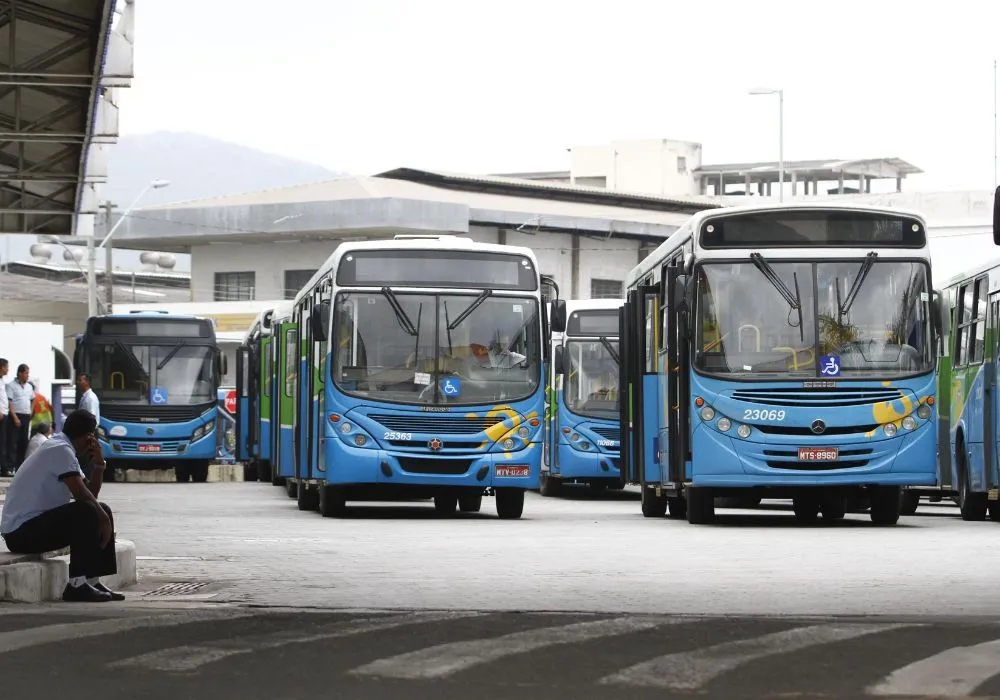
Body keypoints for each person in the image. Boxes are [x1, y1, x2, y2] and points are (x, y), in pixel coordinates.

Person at [0, 409, 123, 602]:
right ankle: (76, 585)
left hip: (33, 527)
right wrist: (103, 519)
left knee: (100, 508)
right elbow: (81, 494)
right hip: (20, 533)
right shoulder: (60, 449)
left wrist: (99, 465)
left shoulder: (62, 447)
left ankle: (91, 580)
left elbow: (91, 492)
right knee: (88, 511)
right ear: (89, 436)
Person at [6, 363, 35, 468]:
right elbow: (9, 402)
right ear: (20, 373)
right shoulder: (11, 385)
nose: (28, 375)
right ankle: (10, 466)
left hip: (26, 415)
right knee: (13, 441)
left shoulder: (29, 386)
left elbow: (33, 399)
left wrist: (31, 411)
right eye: (26, 373)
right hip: (15, 415)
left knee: (23, 442)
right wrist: (14, 417)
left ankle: (20, 466)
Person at [0, 358, 9, 477]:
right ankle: (3, 467)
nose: (7, 369)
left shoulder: (2, 380)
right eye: (6, 367)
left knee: (3, 441)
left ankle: (3, 467)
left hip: (4, 413)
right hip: (1, 413)